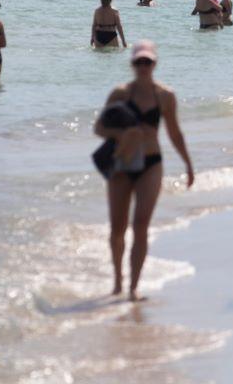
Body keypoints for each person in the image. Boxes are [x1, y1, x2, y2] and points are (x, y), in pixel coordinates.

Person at [94, 41, 194, 301]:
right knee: (117, 229)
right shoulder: (120, 94)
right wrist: (124, 132)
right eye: (138, 62)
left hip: (152, 164)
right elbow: (99, 129)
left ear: (155, 63)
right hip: (122, 163)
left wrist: (188, 164)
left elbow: (174, 133)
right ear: (132, 64)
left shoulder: (165, 96)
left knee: (141, 225)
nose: (143, 67)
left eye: (147, 62)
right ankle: (117, 282)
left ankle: (133, 288)